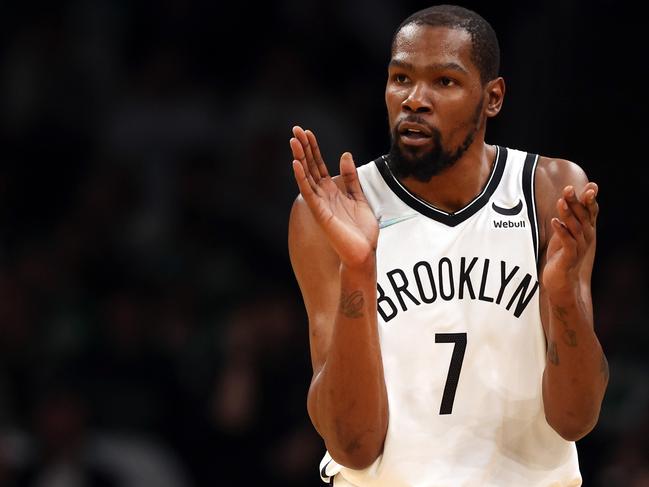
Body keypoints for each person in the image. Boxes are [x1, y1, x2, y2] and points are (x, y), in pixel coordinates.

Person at [287, 5, 608, 486]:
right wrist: (358, 267)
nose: (415, 99)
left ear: (493, 97)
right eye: (400, 78)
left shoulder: (548, 190)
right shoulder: (330, 211)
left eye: (445, 82)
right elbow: (352, 444)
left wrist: (561, 294)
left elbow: (576, 419)